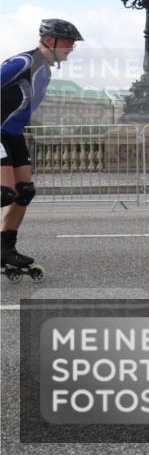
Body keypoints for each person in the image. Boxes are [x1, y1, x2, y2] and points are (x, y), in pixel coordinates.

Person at [1, 19, 84, 281]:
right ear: (50, 41)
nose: (71, 48)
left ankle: (5, 249)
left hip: (13, 135)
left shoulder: (46, 69)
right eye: (68, 42)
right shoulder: (24, 62)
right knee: (4, 193)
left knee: (24, 192)